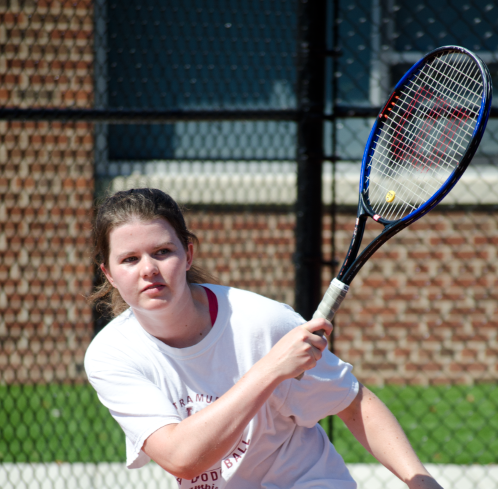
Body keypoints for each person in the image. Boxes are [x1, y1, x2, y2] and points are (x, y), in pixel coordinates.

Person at [84, 188, 443, 489]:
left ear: (188, 253)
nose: (149, 269)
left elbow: (353, 401)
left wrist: (422, 482)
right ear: (109, 274)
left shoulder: (262, 321)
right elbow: (182, 459)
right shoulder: (112, 355)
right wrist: (271, 369)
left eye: (162, 252)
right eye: (129, 259)